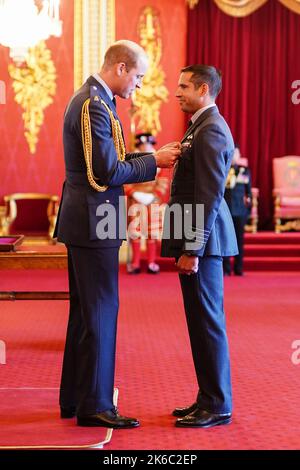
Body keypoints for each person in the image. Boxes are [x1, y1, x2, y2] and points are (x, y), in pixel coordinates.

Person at [53, 40, 181, 428]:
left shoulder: (95, 99)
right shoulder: (94, 103)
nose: (138, 86)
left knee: (86, 312)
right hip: (94, 221)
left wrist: (145, 160)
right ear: (121, 68)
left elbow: (111, 161)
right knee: (101, 311)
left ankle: (75, 398)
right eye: (138, 76)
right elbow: (105, 173)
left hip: (89, 220)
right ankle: (95, 405)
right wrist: (154, 162)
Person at [161, 65, 238, 428]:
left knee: (208, 322)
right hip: (196, 240)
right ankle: (207, 396)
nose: (176, 92)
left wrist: (192, 247)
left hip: (203, 244)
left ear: (203, 89)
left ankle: (219, 404)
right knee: (199, 321)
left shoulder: (210, 129)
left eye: (183, 86)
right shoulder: (199, 125)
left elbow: (208, 195)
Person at [126, 132, 169, 274]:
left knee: (152, 232)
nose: (146, 147)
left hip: (152, 200)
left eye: (149, 144)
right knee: (135, 231)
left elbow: (163, 182)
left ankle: (151, 262)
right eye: (143, 144)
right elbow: (124, 180)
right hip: (135, 200)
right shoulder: (131, 161)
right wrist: (133, 192)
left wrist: (155, 195)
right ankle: (135, 263)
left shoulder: (159, 162)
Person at [223, 147, 252, 276]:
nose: (234, 156)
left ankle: (239, 268)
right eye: (232, 153)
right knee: (225, 240)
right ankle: (226, 269)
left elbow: (248, 192)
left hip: (240, 211)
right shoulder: (222, 170)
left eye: (237, 153)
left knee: (240, 241)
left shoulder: (244, 171)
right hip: (226, 211)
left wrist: (248, 208)